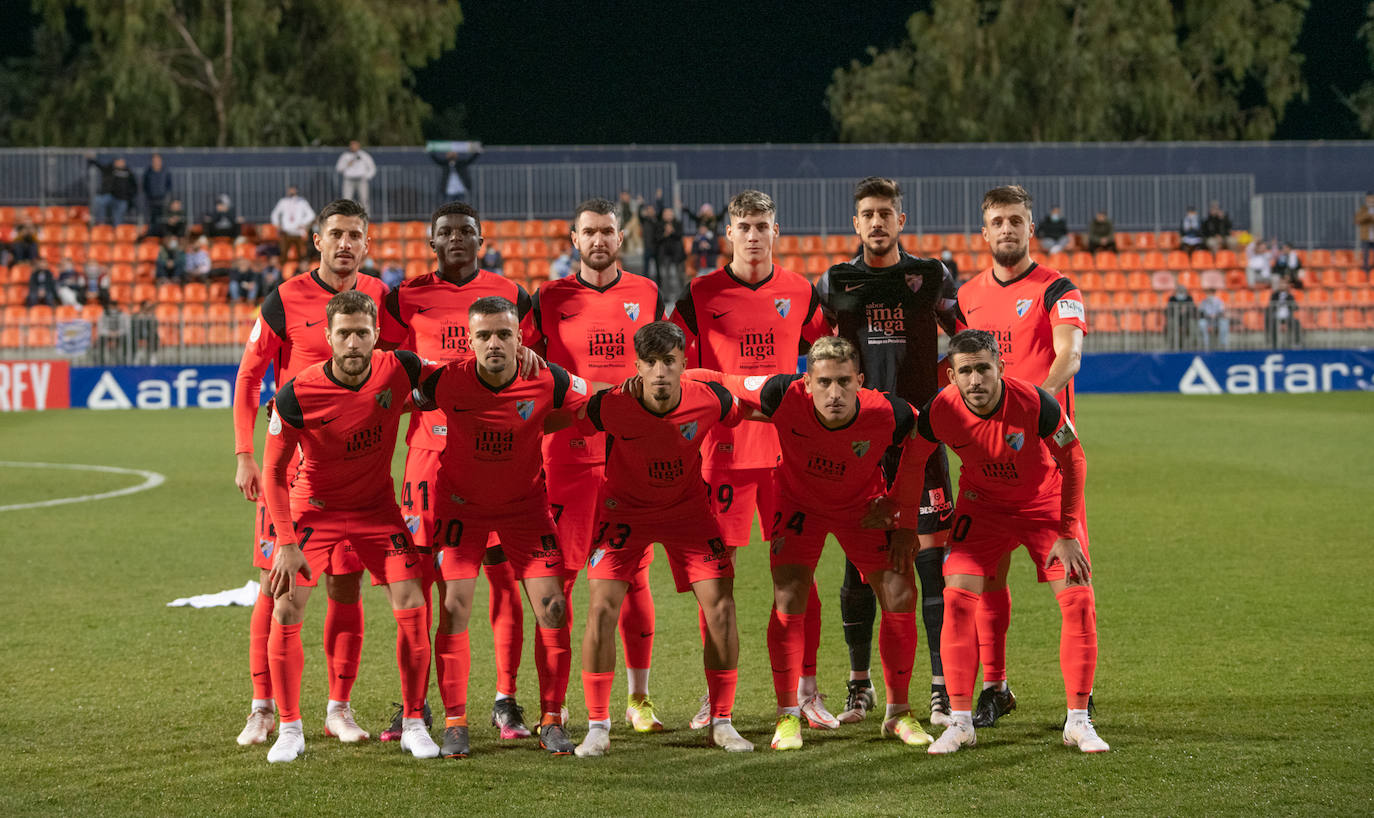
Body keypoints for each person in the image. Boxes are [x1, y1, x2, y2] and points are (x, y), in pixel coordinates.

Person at [704, 336, 937, 750]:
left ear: (861, 381)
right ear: (807, 382)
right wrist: (664, 379)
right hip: (799, 507)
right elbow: (720, 378)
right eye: (825, 382)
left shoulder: (889, 412)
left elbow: (922, 445)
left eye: (845, 382)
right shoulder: (781, 392)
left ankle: (898, 713)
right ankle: (787, 715)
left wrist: (900, 512)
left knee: (901, 592)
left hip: (861, 509)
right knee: (789, 596)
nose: (834, 393)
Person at [891, 329, 1107, 755]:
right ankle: (960, 722)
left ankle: (1078, 722)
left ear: (1000, 369)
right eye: (965, 371)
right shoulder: (939, 411)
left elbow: (1075, 459)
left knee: (1079, 599)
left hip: (1043, 504)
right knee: (956, 598)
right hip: (982, 507)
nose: (975, 380)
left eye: (983, 369)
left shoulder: (1037, 403)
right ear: (951, 375)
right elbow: (913, 461)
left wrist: (1067, 531)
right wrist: (902, 527)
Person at [670, 189, 834, 731]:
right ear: (729, 234)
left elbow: (831, 358)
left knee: (799, 574)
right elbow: (678, 367)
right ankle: (716, 698)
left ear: (776, 231)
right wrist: (741, 387)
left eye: (763, 226)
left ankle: (806, 690)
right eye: (744, 227)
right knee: (715, 578)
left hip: (788, 457)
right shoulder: (700, 294)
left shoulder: (801, 292)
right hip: (722, 455)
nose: (754, 235)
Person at [378, 201, 540, 744]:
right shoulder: (405, 297)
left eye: (465, 231)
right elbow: (387, 367)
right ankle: (416, 703)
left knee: (501, 578)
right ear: (431, 242)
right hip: (428, 454)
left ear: (481, 238)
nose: (456, 239)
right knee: (423, 580)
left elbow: (531, 364)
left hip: (497, 452)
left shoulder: (512, 296)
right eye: (445, 232)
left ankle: (505, 700)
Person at [231, 199, 390, 749]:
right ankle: (262, 708)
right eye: (336, 234)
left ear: (367, 245)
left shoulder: (379, 297)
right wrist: (244, 455)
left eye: (355, 235)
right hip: (289, 467)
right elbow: (250, 376)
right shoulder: (284, 297)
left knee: (347, 587)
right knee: (275, 586)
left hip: (353, 471)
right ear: (316, 241)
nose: (345, 243)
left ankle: (338, 709)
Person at [260, 290, 436, 763]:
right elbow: (274, 473)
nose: (354, 342)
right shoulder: (296, 393)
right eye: (344, 333)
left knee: (413, 603)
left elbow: (460, 376)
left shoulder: (401, 367)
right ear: (328, 337)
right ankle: (290, 728)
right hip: (313, 509)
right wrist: (286, 541)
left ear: (376, 333)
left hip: (377, 511)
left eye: (362, 332)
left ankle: (415, 722)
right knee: (287, 608)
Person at [411, 296, 590, 758]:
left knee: (553, 609)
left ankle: (551, 718)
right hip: (460, 511)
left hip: (526, 509)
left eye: (504, 334)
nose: (494, 343)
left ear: (520, 337)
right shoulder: (444, 381)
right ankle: (455, 722)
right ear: (469, 341)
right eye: (484, 335)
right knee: (454, 608)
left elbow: (598, 399)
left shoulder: (548, 378)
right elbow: (380, 395)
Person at [573, 321, 753, 757]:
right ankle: (598, 726)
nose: (659, 372)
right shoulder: (610, 406)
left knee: (722, 606)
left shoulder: (709, 399)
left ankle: (722, 722)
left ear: (683, 364)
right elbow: (558, 416)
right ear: (636, 366)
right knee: (601, 607)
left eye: (668, 362)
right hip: (624, 514)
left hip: (688, 514)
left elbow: (751, 408)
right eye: (650, 363)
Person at [819, 177, 957, 728]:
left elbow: (967, 336)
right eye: (867, 214)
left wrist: (950, 389)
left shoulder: (931, 276)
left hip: (922, 442)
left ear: (901, 220)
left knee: (930, 566)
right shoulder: (836, 281)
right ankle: (859, 685)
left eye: (886, 213)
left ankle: (941, 689)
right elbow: (815, 351)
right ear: (855, 224)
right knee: (859, 565)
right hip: (860, 445)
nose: (877, 222)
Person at [952, 184, 1089, 729]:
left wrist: (1034, 416)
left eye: (1016, 220)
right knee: (986, 580)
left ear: (1031, 228)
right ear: (984, 233)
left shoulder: (1058, 287)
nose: (1007, 229)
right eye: (997, 222)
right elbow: (967, 371)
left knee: (1072, 576)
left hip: (1047, 460)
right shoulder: (968, 297)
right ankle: (995, 687)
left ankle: (1081, 696)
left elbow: (1070, 355)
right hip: (988, 463)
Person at [527, 198, 665, 733]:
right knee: (556, 580)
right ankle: (554, 709)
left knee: (634, 580)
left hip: (632, 454)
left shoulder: (646, 293)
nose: (599, 240)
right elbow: (527, 363)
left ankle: (639, 699)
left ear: (620, 238)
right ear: (574, 239)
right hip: (568, 457)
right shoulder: (548, 298)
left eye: (608, 231)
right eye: (589, 232)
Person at [271, 186, 316, 262]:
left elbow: (311, 215)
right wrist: (277, 224)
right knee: (283, 253)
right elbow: (275, 214)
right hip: (286, 232)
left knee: (301, 255)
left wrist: (302, 223)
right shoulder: (283, 202)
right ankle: (282, 270)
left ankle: (300, 270)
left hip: (298, 232)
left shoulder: (302, 202)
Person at [87, 155, 136, 225]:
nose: (121, 163)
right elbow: (99, 165)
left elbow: (134, 186)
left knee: (119, 216)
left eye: (122, 161)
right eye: (119, 161)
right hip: (109, 195)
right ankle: (101, 223)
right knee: (98, 200)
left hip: (121, 198)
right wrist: (90, 159)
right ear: (115, 162)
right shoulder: (109, 169)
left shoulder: (128, 172)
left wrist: (129, 197)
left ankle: (117, 229)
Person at [336, 140, 377, 210]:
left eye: (355, 145)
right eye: (352, 145)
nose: (353, 147)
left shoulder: (364, 155)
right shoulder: (345, 156)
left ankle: (366, 218)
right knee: (346, 200)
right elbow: (338, 168)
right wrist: (347, 164)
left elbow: (372, 168)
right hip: (349, 180)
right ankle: (346, 216)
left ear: (359, 146)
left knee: (364, 199)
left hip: (361, 180)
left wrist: (366, 177)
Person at [656, 214, 687, 304]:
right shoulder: (660, 225)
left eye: (670, 213)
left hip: (677, 254)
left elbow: (680, 235)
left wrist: (672, 231)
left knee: (679, 275)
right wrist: (665, 233)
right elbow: (657, 238)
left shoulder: (677, 224)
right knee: (665, 276)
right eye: (666, 213)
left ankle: (681, 295)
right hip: (665, 254)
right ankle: (666, 296)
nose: (668, 215)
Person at [1266, 276, 1301, 348]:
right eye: (1281, 284)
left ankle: (1296, 342)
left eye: (1284, 284)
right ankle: (1274, 344)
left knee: (1296, 323)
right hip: (1276, 315)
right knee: (1272, 323)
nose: (1283, 285)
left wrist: (1289, 305)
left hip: (1288, 315)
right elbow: (1271, 305)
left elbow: (1295, 307)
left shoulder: (1290, 295)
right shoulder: (1274, 295)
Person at [143, 154, 172, 228]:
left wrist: (167, 196)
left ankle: (162, 234)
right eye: (154, 160)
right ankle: (153, 233)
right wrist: (148, 195)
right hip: (151, 199)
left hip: (163, 198)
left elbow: (169, 185)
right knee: (152, 218)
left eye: (157, 160)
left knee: (163, 217)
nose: (156, 162)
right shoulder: (148, 172)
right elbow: (145, 185)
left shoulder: (166, 172)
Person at [1164, 283, 1196, 350]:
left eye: (1182, 291)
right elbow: (1168, 311)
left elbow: (1193, 310)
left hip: (1186, 319)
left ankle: (1190, 346)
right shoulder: (1172, 298)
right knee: (1171, 324)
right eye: (1179, 291)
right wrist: (1178, 310)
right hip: (1175, 319)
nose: (1180, 292)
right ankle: (1172, 346)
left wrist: (1186, 310)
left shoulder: (1189, 298)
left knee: (1192, 324)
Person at [1356, 193, 1374, 273]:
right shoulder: (1363, 209)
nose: (1371, 200)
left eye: (1372, 198)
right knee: (1366, 255)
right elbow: (1357, 220)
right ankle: (1366, 271)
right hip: (1366, 236)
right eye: (1369, 198)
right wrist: (1368, 215)